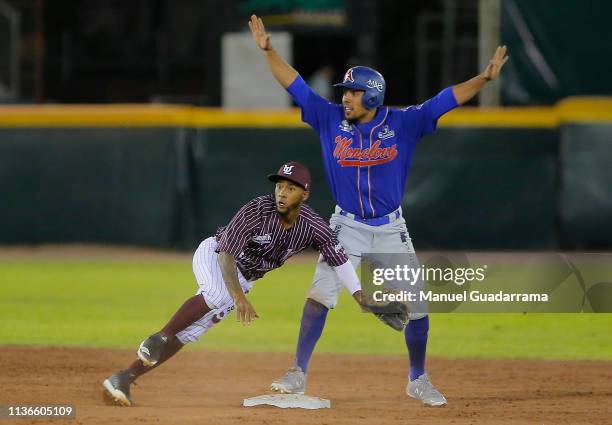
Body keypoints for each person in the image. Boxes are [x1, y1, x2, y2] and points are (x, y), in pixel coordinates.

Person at [248, 14, 509, 406]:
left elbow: (446, 99)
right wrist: (268, 50)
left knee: (418, 306)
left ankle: (418, 378)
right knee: (320, 294)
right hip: (345, 227)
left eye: (352, 92)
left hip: (390, 229)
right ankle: (297, 372)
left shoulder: (404, 122)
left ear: (371, 95)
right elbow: (294, 83)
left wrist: (484, 78)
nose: (345, 97)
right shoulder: (328, 119)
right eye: (345, 91)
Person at [102, 161, 366, 406]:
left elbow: (339, 260)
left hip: (243, 279)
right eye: (279, 186)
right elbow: (226, 255)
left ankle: (124, 377)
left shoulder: (313, 226)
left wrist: (360, 297)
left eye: (290, 188)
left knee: (188, 334)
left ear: (304, 195)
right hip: (216, 257)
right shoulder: (257, 210)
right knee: (216, 295)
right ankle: (158, 337)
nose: (282, 193)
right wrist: (239, 297)